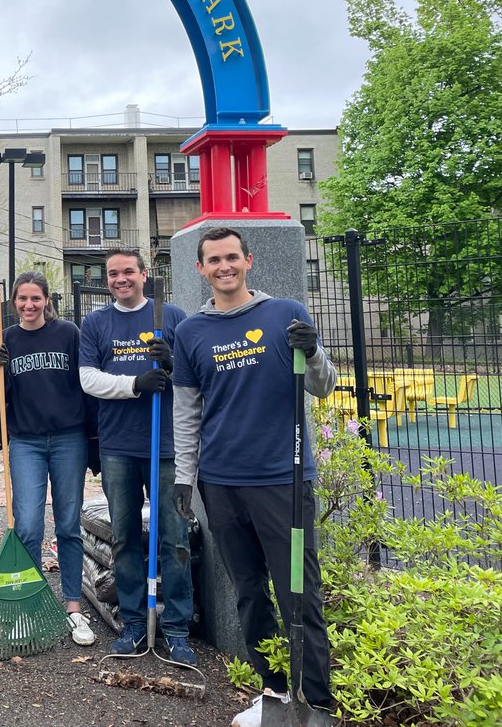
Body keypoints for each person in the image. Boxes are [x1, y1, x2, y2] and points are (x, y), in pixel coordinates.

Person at [171, 226, 337, 727]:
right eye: (213, 260)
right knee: (248, 588)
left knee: (298, 592)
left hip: (282, 483)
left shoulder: (286, 314)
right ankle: (274, 692)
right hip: (221, 485)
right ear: (200, 269)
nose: (224, 267)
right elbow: (187, 412)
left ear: (248, 260)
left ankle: (317, 702)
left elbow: (323, 387)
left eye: (231, 258)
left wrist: (311, 351)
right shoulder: (191, 333)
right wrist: (185, 476)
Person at [78, 247, 197, 666]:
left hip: (166, 445)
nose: (120, 278)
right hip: (118, 447)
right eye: (113, 273)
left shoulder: (173, 317)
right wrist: (135, 383)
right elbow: (88, 379)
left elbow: (194, 376)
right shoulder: (95, 323)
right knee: (126, 538)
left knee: (175, 539)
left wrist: (173, 365)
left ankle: (178, 630)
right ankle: (132, 623)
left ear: (144, 275)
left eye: (128, 271)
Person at [0, 271, 96, 646]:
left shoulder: (68, 334)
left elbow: (85, 385)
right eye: (22, 299)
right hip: (25, 442)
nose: (29, 305)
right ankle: (29, 606)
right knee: (29, 525)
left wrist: (93, 438)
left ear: (47, 300)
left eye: (36, 299)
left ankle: (72, 607)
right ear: (13, 301)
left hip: (69, 438)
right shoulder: (8, 339)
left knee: (68, 524)